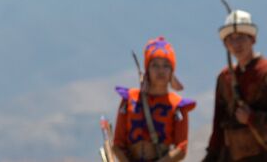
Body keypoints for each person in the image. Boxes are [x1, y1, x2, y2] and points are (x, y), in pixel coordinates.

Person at [111, 37, 195, 162]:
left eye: (166, 66)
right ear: (147, 70)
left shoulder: (178, 105)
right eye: (155, 65)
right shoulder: (129, 99)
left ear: (172, 71)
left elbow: (181, 148)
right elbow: (117, 144)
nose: (160, 71)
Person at [203, 9, 267, 161]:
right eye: (230, 39)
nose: (236, 44)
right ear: (225, 45)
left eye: (241, 38)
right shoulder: (224, 78)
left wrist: (252, 118)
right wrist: (211, 156)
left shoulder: (264, 72)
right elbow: (218, 124)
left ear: (253, 39)